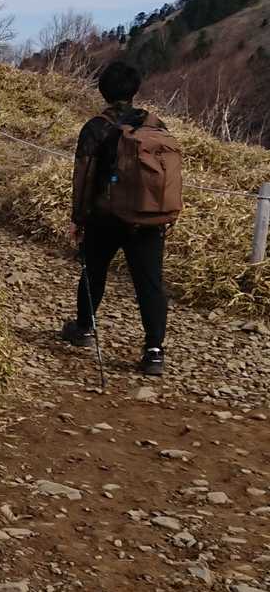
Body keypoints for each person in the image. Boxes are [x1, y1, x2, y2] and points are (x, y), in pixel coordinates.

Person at [61, 59, 173, 377]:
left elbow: (83, 175)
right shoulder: (155, 125)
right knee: (150, 283)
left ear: (103, 90)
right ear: (134, 90)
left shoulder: (96, 127)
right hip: (149, 217)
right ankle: (154, 351)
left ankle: (84, 328)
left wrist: (78, 218)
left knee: (94, 272)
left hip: (106, 216)